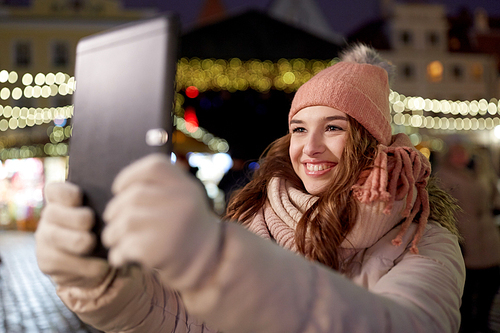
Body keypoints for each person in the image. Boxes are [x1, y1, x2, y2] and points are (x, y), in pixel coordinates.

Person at [35, 44, 465, 332]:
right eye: (299, 129)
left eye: (333, 128)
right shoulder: (256, 214)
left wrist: (217, 263)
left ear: (371, 142)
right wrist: (104, 282)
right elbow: (186, 319)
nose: (310, 147)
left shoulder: (421, 238)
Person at [435, 142, 500, 333]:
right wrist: (454, 237)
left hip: (488, 236)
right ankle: (466, 325)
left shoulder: (480, 171)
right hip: (465, 237)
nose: (460, 156)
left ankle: (483, 321)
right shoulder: (443, 176)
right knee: (467, 287)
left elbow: (492, 194)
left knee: (491, 281)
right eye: (456, 153)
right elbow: (442, 209)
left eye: (463, 152)